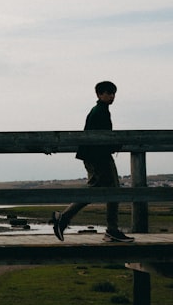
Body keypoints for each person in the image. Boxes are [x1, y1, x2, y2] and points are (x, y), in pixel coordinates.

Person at [51, 81, 134, 243]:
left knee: (111, 191)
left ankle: (111, 230)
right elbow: (99, 137)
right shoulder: (99, 112)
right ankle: (65, 218)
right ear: (99, 94)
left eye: (113, 93)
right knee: (101, 190)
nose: (112, 96)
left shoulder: (101, 110)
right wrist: (116, 143)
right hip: (98, 158)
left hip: (98, 156)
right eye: (108, 93)